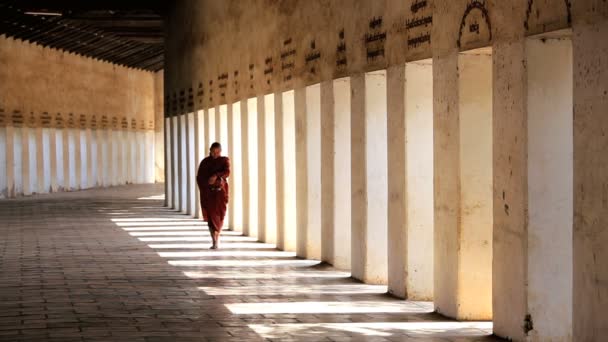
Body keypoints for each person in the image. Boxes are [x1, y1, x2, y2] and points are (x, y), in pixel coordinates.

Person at [196, 142, 230, 249]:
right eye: (213, 151)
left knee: (219, 216)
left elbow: (227, 172)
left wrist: (216, 175)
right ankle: (214, 240)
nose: (215, 154)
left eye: (217, 152)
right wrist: (207, 183)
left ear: (220, 151)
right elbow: (199, 177)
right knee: (211, 217)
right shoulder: (205, 162)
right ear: (210, 150)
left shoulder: (224, 160)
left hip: (220, 193)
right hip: (208, 193)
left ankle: (217, 237)